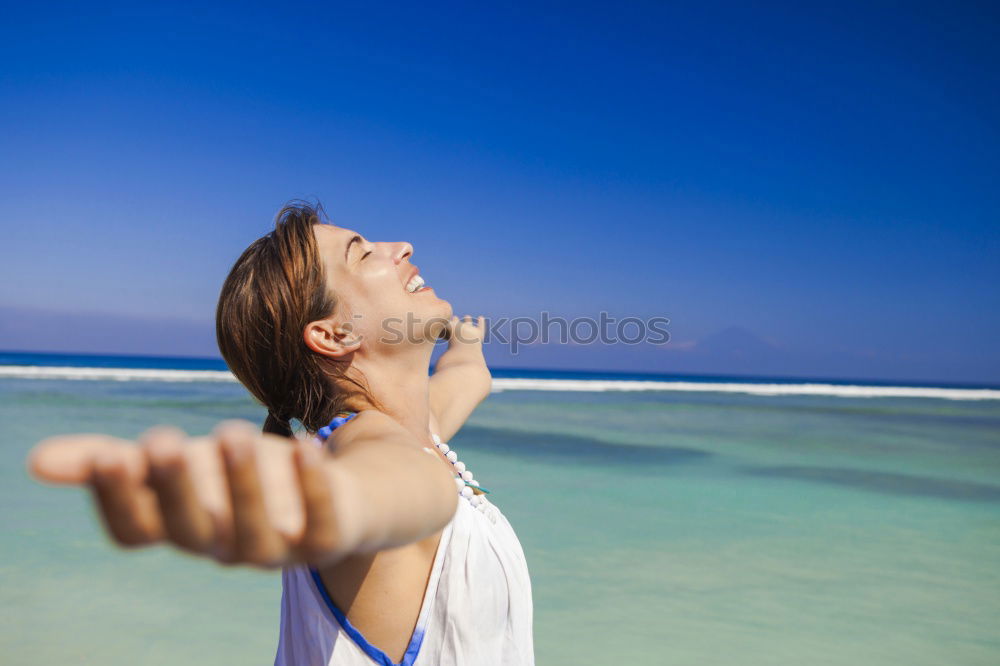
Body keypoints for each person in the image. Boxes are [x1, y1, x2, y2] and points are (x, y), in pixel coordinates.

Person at [27, 202, 535, 665]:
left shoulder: (418, 430)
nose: (402, 247)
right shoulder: (370, 449)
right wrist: (318, 501)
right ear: (335, 334)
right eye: (362, 254)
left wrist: (464, 339)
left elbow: (468, 377)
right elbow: (387, 488)